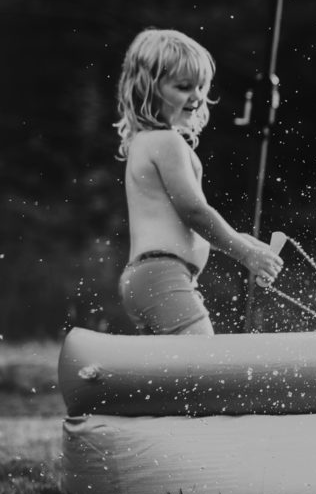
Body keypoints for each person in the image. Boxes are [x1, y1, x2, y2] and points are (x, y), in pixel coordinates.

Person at [115, 29, 283, 335]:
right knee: (201, 366)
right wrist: (246, 254)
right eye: (182, 86)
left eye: (200, 86)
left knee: (171, 376)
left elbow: (177, 227)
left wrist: (240, 238)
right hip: (162, 276)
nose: (196, 96)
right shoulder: (167, 142)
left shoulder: (145, 141)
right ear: (147, 89)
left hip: (145, 277)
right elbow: (194, 212)